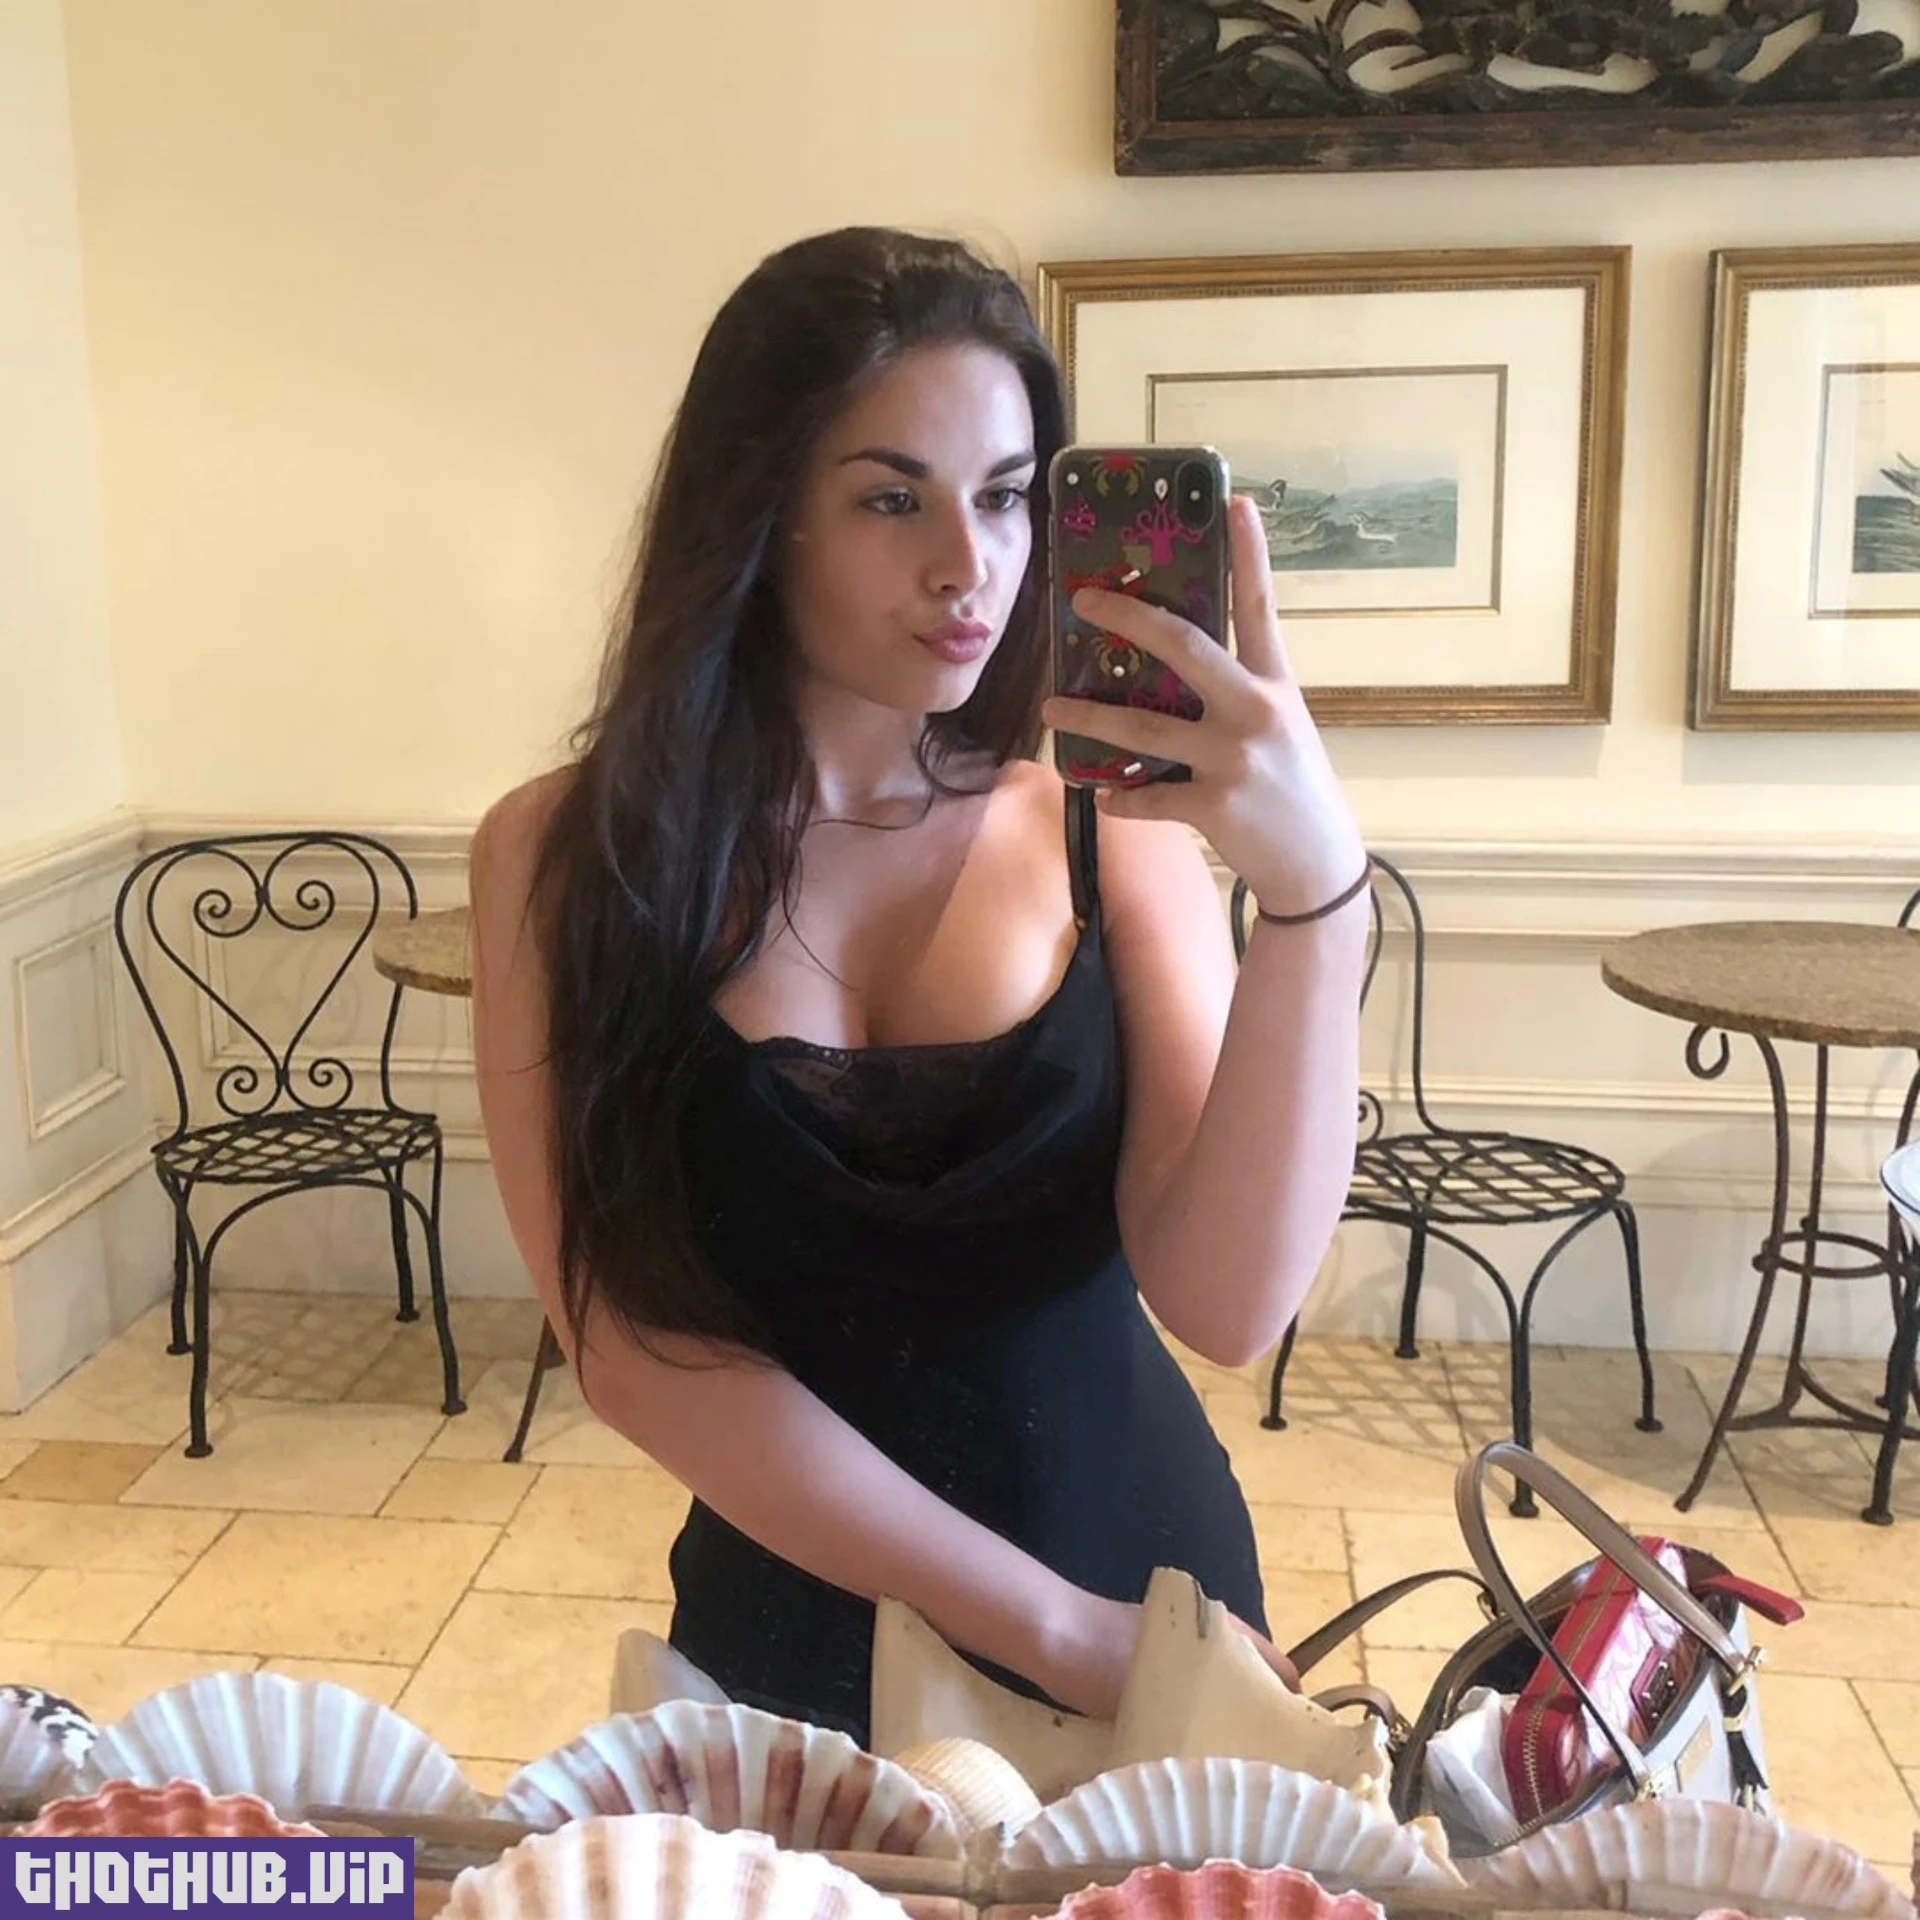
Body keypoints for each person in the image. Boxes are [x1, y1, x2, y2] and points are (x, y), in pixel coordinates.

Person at [469, 226, 1369, 1745]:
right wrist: (1046, 1631)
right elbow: (632, 1353)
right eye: (893, 498)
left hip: (1143, 1587)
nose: (973, 565)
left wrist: (1314, 899)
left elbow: (1229, 1306)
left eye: (1008, 496)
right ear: (761, 515)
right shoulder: (565, 861)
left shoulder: (1103, 832)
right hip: (801, 1627)